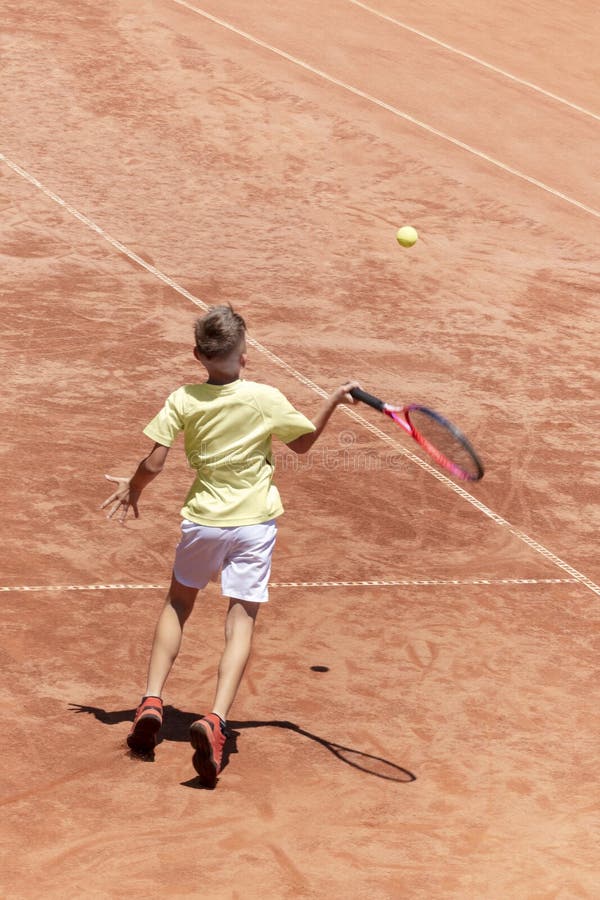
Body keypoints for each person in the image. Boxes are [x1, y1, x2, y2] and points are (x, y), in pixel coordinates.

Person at [102, 304, 358, 788]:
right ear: (245, 352)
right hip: (254, 526)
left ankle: (152, 700)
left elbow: (154, 465)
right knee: (240, 620)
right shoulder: (264, 397)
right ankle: (216, 720)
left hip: (203, 522)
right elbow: (301, 445)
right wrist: (331, 401)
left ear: (199, 354)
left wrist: (133, 488)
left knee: (178, 603)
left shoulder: (183, 398)